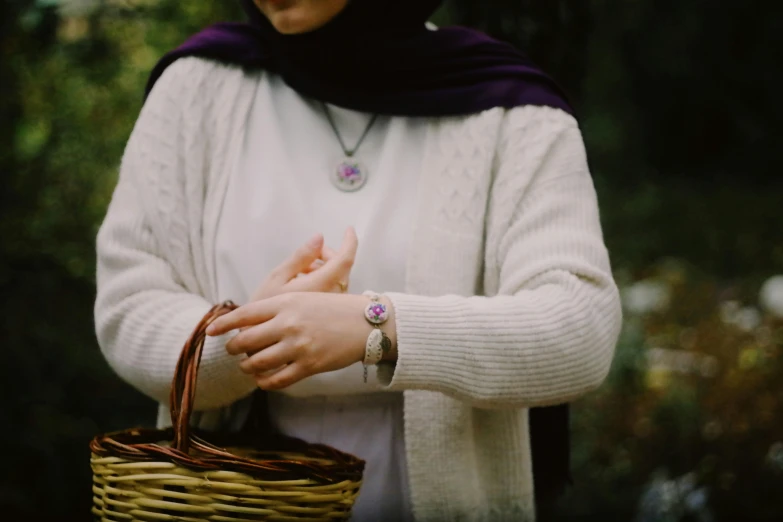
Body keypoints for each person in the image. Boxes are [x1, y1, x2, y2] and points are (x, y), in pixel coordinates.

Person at [94, 0, 622, 520]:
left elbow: (580, 327)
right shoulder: (195, 87)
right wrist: (249, 343)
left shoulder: (513, 110)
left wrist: (377, 328)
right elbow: (128, 301)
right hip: (223, 497)